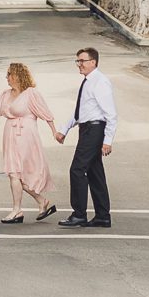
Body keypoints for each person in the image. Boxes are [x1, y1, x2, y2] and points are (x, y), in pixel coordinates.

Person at [0, 62, 59, 224]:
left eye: (9, 75)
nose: (7, 78)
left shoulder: (31, 93)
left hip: (26, 135)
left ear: (18, 76)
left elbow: (46, 113)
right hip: (11, 135)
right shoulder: (6, 94)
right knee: (14, 174)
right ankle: (39, 202)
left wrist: (54, 131)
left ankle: (18, 209)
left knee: (19, 174)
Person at [55, 45, 115, 228]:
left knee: (77, 170)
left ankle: (79, 214)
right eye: (78, 61)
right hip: (87, 129)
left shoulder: (100, 82)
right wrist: (64, 130)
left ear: (93, 62)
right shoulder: (89, 81)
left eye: (82, 61)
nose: (79, 64)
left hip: (95, 130)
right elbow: (81, 111)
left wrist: (107, 140)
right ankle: (102, 216)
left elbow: (111, 114)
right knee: (95, 173)